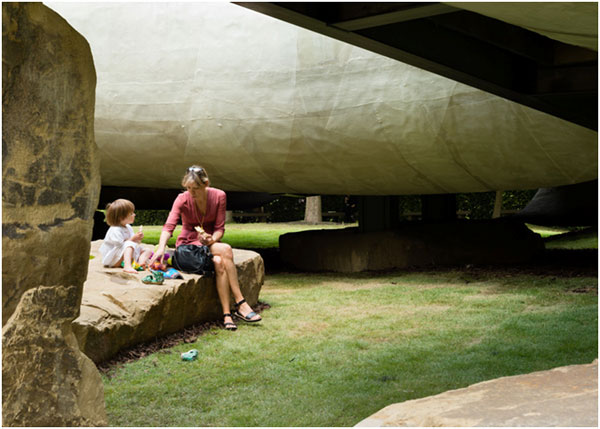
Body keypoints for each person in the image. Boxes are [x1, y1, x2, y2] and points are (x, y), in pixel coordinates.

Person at [149, 165, 262, 331]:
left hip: (208, 244)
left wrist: (211, 239)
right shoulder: (182, 199)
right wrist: (161, 247)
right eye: (187, 188)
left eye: (195, 188)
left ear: (206, 184)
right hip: (188, 247)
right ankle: (241, 303)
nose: (191, 192)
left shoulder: (219, 196)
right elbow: (169, 226)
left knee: (219, 261)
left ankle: (227, 315)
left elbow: (219, 229)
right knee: (226, 250)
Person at [100, 199, 152, 274]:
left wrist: (138, 238)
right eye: (131, 213)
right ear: (121, 217)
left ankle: (141, 263)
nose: (134, 215)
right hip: (115, 259)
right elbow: (120, 245)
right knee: (129, 245)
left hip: (124, 255)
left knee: (147, 250)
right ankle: (127, 266)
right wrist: (133, 239)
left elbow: (134, 243)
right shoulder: (115, 230)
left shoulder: (128, 227)